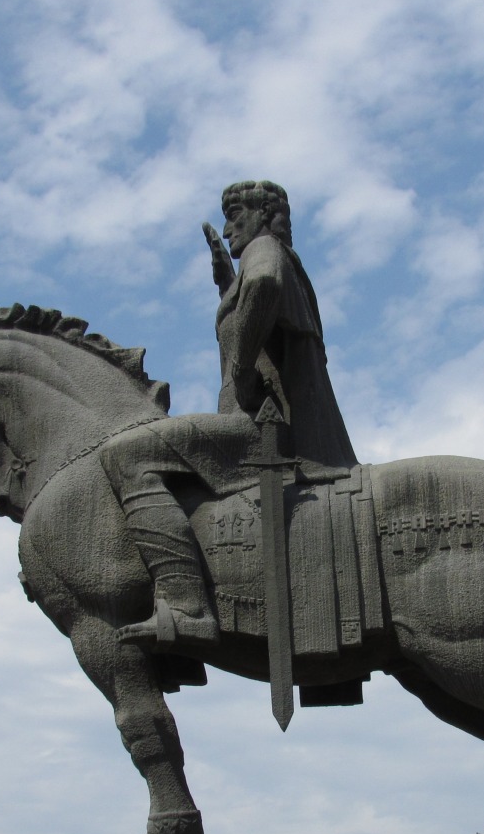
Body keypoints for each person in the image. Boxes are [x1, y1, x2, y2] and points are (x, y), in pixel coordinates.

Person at [100, 179, 358, 646]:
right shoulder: (272, 261)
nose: (228, 227)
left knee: (126, 455)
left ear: (263, 217)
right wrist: (228, 283)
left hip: (265, 430)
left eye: (236, 215)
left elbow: (262, 284)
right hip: (274, 426)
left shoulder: (266, 251)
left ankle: (184, 605)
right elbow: (254, 293)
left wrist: (240, 372)